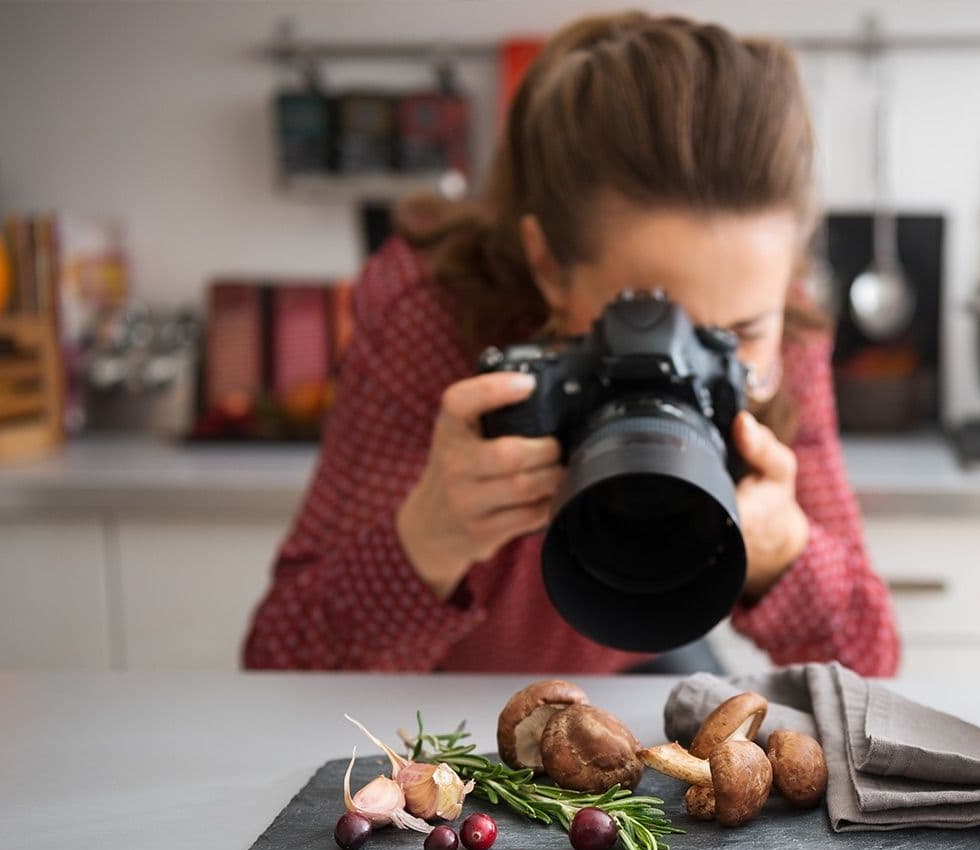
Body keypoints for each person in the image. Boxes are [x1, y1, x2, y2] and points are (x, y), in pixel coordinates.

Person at [243, 12, 899, 677]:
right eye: (644, 321)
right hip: (434, 688)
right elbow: (281, 664)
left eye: (738, 335)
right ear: (548, 267)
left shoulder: (784, 331)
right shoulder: (432, 313)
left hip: (635, 655)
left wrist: (787, 554)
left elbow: (871, 665)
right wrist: (426, 540)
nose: (682, 364)